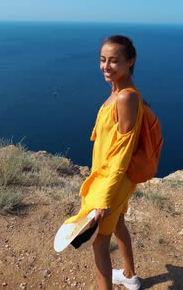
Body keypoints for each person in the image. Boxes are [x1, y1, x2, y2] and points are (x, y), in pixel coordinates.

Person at [64, 35, 143, 290]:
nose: (106, 66)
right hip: (111, 178)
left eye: (114, 61)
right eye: (102, 60)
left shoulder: (125, 98)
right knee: (118, 222)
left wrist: (103, 199)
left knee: (99, 242)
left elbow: (121, 154)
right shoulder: (118, 92)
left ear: (130, 62)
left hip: (113, 181)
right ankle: (130, 276)